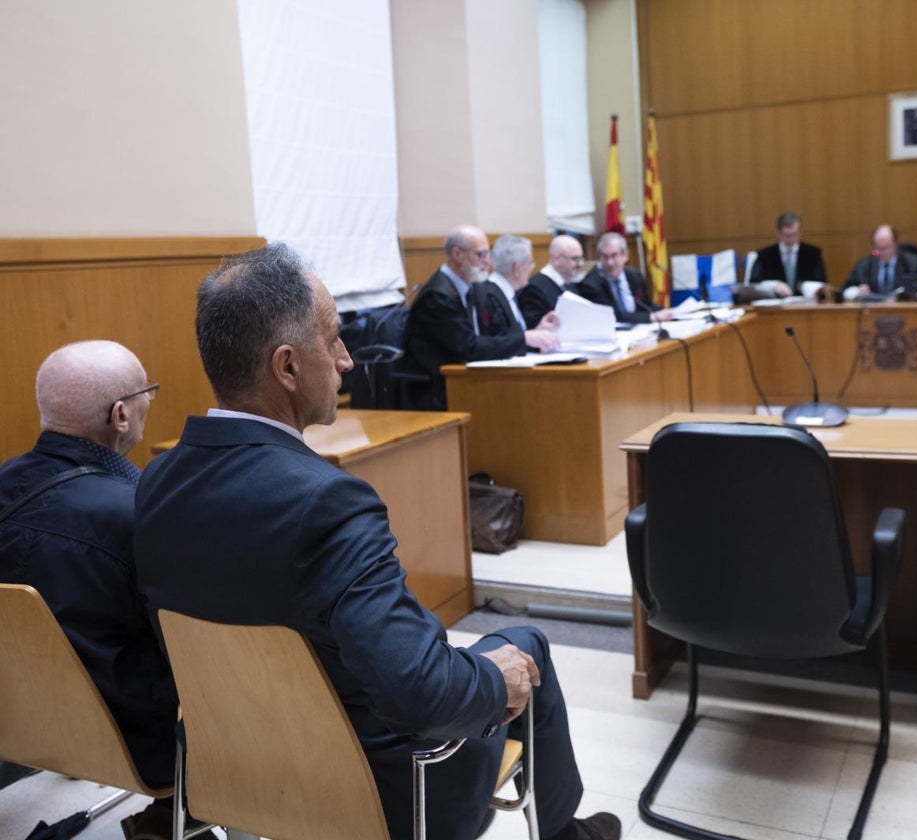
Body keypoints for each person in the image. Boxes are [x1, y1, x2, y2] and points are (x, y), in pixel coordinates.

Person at [133, 244, 619, 840]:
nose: (347, 361)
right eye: (334, 339)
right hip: (379, 790)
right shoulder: (328, 503)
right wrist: (496, 679)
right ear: (286, 367)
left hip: (229, 773)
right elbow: (419, 693)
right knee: (526, 646)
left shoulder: (156, 482)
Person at [0, 341, 191, 840]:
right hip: (136, 742)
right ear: (120, 415)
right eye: (148, 390)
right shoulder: (142, 514)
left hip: (14, 723)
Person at [401, 225, 559, 410]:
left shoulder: (471, 287)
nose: (488, 262)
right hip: (436, 390)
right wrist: (524, 338)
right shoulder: (438, 297)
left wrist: (531, 336)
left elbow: (490, 337)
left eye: (488, 254)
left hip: (463, 380)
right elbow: (468, 347)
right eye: (481, 255)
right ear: (457, 254)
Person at [576, 232, 674, 324]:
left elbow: (646, 306)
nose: (610, 263)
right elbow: (613, 316)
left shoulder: (634, 276)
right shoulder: (590, 284)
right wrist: (652, 317)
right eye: (605, 257)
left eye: (614, 256)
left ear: (625, 255)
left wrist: (668, 312)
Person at [474, 234, 559, 340]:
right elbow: (499, 342)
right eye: (530, 263)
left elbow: (513, 338)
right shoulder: (490, 297)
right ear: (517, 269)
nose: (531, 269)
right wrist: (527, 338)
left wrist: (538, 331)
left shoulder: (506, 292)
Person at [748, 211, 827, 297]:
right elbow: (754, 284)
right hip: (775, 304)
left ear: (800, 233)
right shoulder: (764, 256)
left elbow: (821, 283)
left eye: (794, 235)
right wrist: (773, 285)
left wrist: (804, 286)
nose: (790, 239)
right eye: (786, 235)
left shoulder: (813, 254)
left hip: (806, 304)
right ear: (778, 233)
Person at [842, 224, 917, 300]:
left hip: (904, 309)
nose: (883, 252)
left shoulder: (912, 262)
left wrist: (914, 293)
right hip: (873, 310)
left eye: (886, 248)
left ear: (896, 244)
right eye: (879, 248)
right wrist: (857, 291)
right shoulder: (863, 265)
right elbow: (845, 289)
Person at [518, 234, 584, 328]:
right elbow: (535, 329)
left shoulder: (569, 284)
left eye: (581, 258)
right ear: (556, 259)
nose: (580, 264)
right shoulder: (534, 289)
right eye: (574, 259)